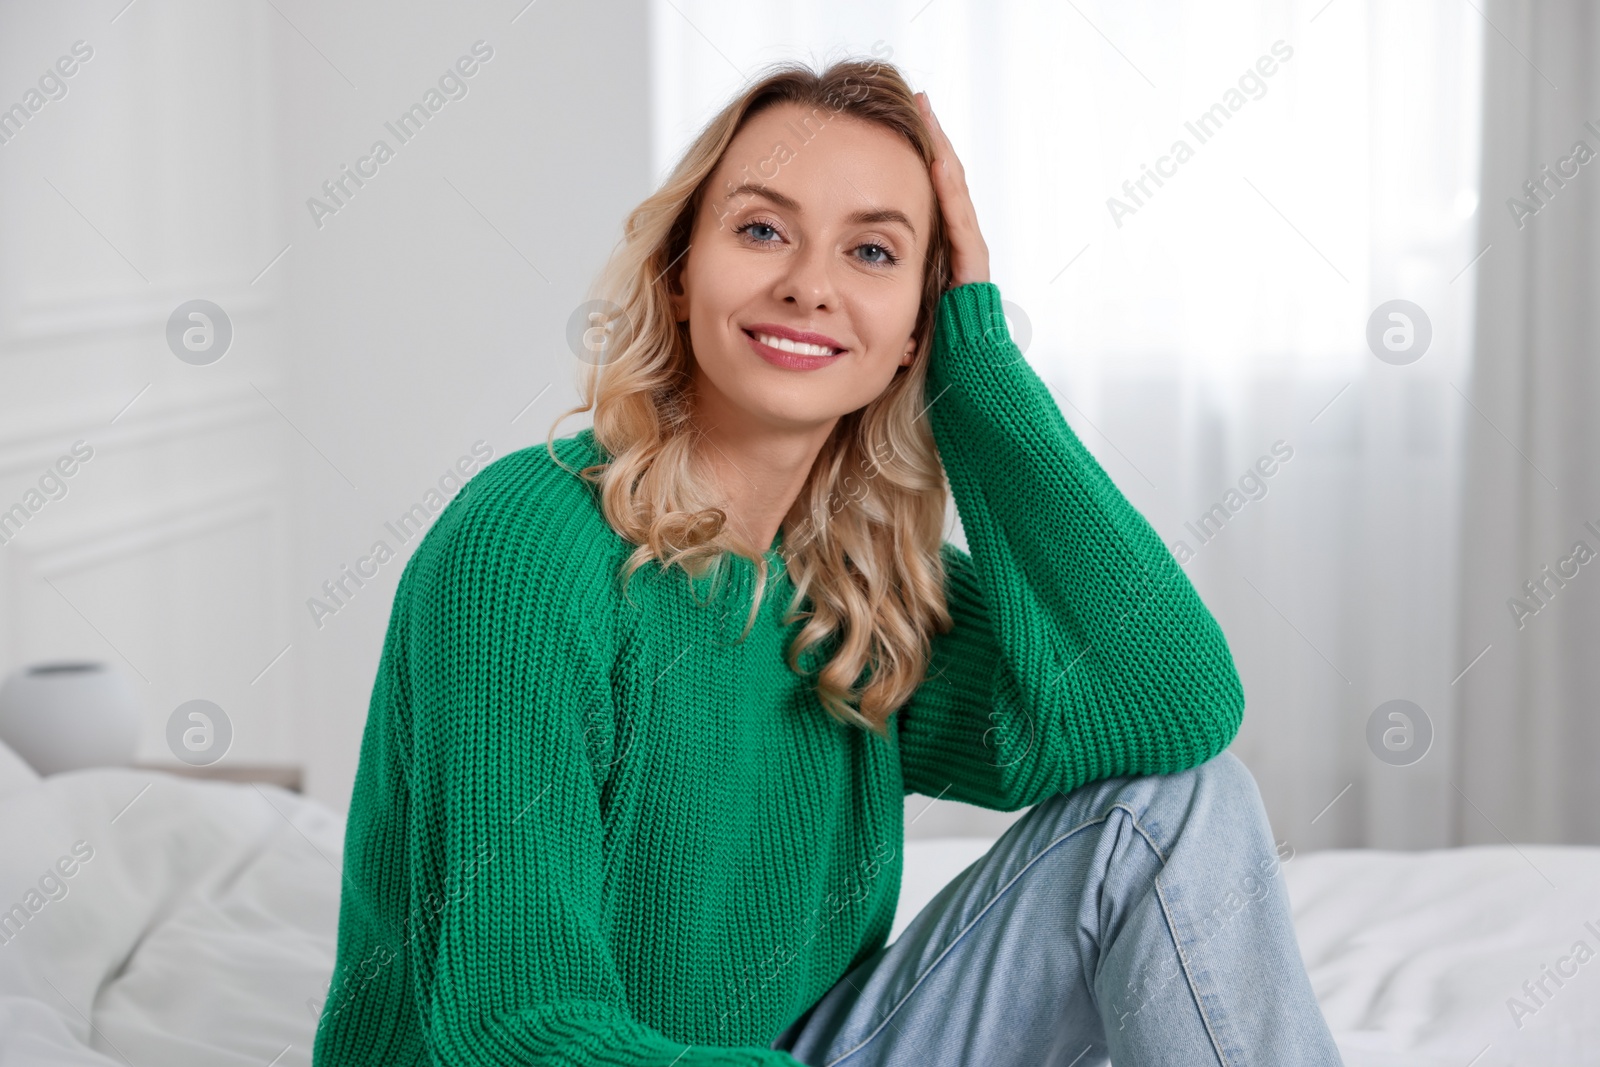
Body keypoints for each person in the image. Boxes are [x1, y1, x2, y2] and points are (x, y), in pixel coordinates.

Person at [311, 57, 1344, 1066]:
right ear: (678, 276)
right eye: (761, 230)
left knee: (1182, 804)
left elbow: (1172, 702)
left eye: (874, 254)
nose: (809, 285)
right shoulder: (526, 542)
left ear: (914, 332)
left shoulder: (854, 584)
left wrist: (977, 362)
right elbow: (512, 1027)